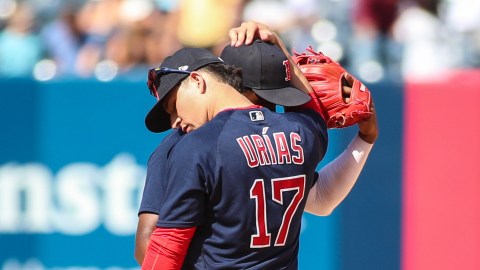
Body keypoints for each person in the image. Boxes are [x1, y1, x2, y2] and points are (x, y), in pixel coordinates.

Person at [135, 21, 378, 267]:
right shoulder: (301, 132)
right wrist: (279, 47)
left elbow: (163, 247)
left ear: (198, 81)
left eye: (173, 105)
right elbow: (312, 115)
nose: (175, 120)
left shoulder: (193, 146)